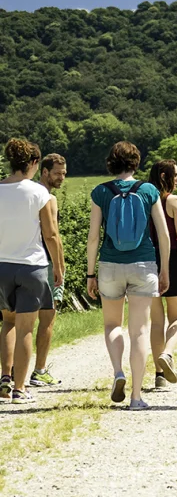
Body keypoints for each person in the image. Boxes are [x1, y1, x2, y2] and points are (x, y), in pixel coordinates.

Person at [87, 141, 170, 410]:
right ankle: (136, 397)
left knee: (112, 325)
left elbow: (93, 237)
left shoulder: (101, 192)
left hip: (110, 265)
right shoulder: (149, 190)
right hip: (143, 264)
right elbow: (164, 235)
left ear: (111, 162)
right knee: (140, 331)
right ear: (136, 162)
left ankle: (118, 372)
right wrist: (164, 268)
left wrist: (90, 274)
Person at [0, 139, 65, 403]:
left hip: (2, 266)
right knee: (27, 328)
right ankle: (20, 389)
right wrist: (58, 266)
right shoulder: (41, 194)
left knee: (8, 323)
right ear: (35, 164)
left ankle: (4, 379)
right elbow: (51, 234)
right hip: (32, 267)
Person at [148, 159, 177, 389]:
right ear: (165, 176)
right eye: (176, 175)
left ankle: (159, 375)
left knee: (156, 321)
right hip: (172, 260)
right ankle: (168, 353)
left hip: (147, 260)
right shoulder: (174, 201)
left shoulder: (145, 200)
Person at [30, 153, 68, 387]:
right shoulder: (46, 198)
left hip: (23, 263)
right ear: (44, 172)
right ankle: (39, 370)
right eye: (57, 173)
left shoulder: (30, 194)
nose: (62, 178)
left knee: (18, 320)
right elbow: (53, 236)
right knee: (47, 318)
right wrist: (59, 266)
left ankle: (12, 371)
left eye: (64, 173)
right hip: (45, 264)